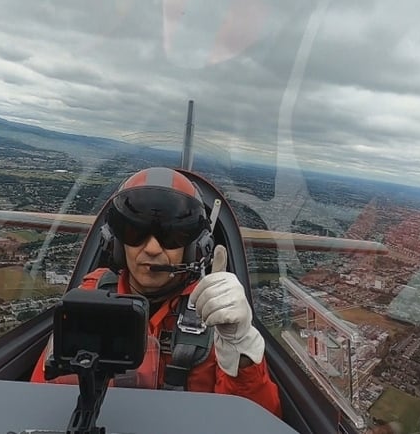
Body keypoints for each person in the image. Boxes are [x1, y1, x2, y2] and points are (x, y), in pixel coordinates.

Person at [30, 166, 282, 418]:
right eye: (135, 231)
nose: (151, 248)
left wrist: (240, 346)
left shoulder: (216, 314)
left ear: (195, 247)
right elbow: (42, 401)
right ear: (116, 242)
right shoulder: (88, 299)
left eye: (171, 235)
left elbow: (254, 421)